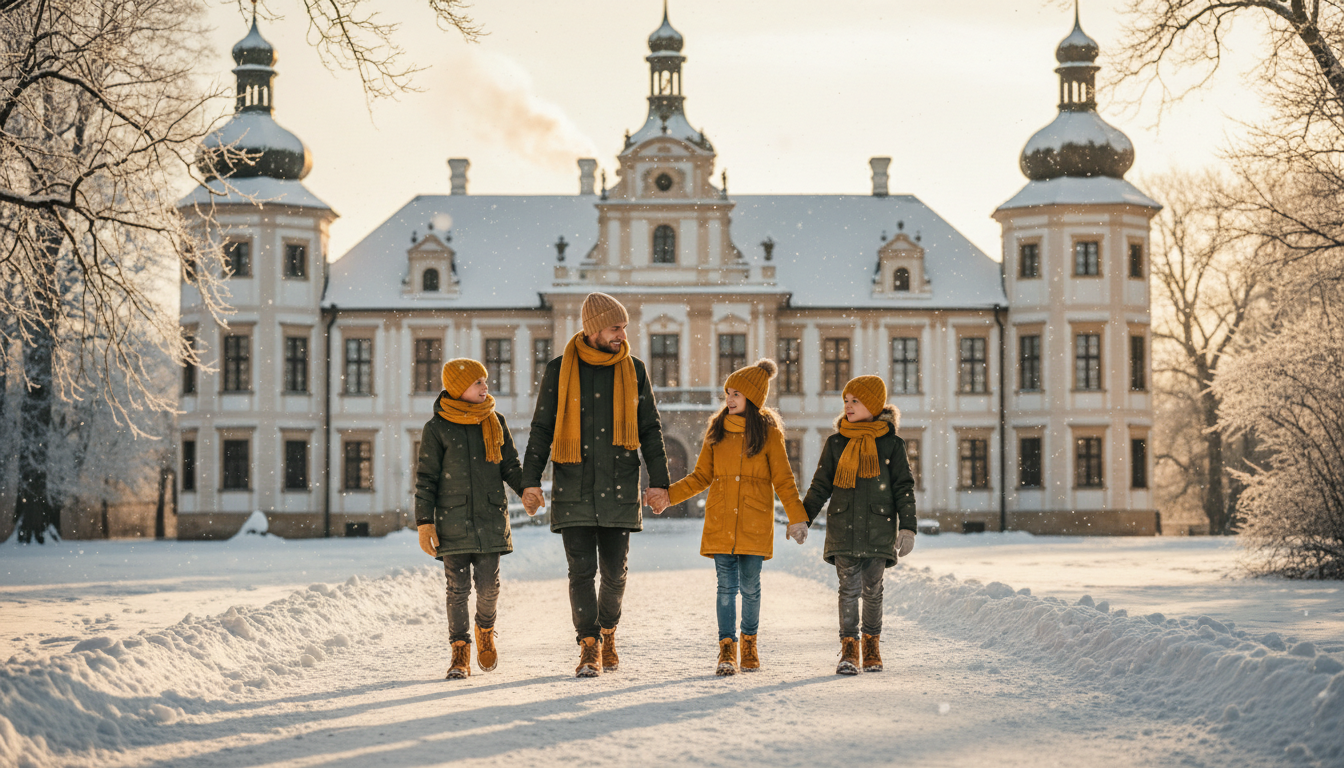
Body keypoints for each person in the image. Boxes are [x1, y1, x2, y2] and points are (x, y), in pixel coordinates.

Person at [520, 292, 671, 678]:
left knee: (616, 573)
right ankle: (588, 644)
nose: (623, 334)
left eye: (624, 327)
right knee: (581, 573)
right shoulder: (559, 370)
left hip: (619, 484)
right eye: (615, 327)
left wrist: (660, 482)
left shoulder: (634, 370)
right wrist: (530, 480)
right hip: (574, 485)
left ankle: (608, 631)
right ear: (593, 329)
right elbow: (542, 429)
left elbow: (650, 429)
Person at [658, 359, 809, 676]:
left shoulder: (769, 435)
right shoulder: (716, 432)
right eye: (728, 392)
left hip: (755, 521)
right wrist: (668, 496)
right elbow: (700, 477)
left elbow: (783, 480)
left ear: (752, 398)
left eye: (737, 393)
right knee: (726, 588)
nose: (729, 398)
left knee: (751, 588)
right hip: (721, 520)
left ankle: (749, 643)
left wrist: (797, 517)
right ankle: (726, 649)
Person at [414, 359, 524, 680]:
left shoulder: (495, 421)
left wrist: (527, 490)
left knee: (489, 587)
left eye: (485, 381)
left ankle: (485, 630)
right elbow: (426, 479)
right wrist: (424, 522)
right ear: (459, 388)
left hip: (490, 518)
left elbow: (510, 467)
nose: (485, 387)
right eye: (478, 382)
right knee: (457, 590)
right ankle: (459, 650)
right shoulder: (436, 429)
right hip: (452, 522)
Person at [801, 375, 916, 675]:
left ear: (874, 405)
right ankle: (850, 649)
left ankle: (871, 645)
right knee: (848, 590)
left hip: (879, 527)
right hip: (844, 526)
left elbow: (904, 487)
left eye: (856, 401)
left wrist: (908, 527)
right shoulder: (837, 442)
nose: (848, 407)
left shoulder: (892, 444)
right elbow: (820, 485)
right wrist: (803, 518)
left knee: (873, 590)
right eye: (846, 401)